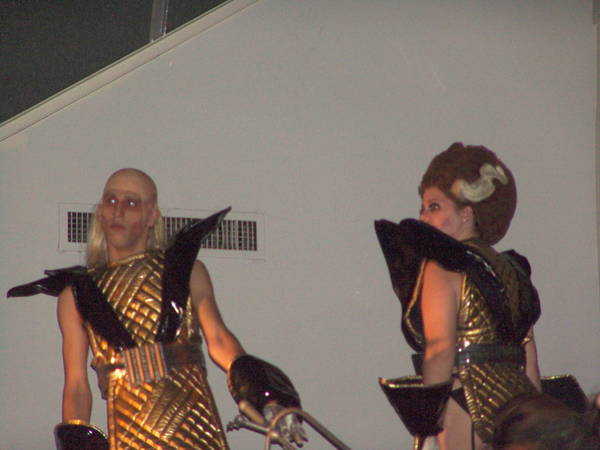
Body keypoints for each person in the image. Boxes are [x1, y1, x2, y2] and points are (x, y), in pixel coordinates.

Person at [8, 168, 306, 449]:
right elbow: (76, 386)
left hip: (196, 430)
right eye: (111, 200)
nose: (118, 211)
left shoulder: (187, 272)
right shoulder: (76, 294)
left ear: (152, 216)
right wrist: (76, 438)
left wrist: (268, 399)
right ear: (100, 212)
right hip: (131, 434)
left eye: (131, 203)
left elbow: (219, 340)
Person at [375, 143, 542, 450]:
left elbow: (440, 349)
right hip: (519, 406)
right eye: (423, 208)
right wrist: (537, 419)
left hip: (466, 403)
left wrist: (427, 423)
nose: (424, 217)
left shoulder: (442, 265)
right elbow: (528, 355)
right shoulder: (513, 269)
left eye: (434, 207)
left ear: (466, 213)